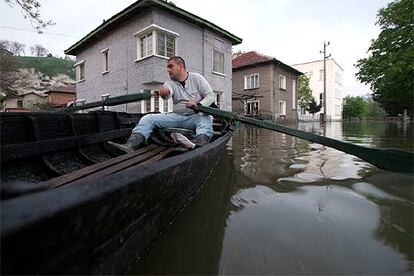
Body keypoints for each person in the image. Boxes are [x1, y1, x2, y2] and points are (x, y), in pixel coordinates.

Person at [112, 56, 215, 152]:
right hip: (177, 117)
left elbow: (210, 96)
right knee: (148, 118)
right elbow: (167, 92)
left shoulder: (197, 78)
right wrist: (164, 92)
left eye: (171, 66)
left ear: (180, 67)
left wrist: (198, 106)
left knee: (206, 118)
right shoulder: (170, 83)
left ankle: (200, 148)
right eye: (167, 67)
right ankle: (130, 145)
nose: (168, 70)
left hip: (195, 117)